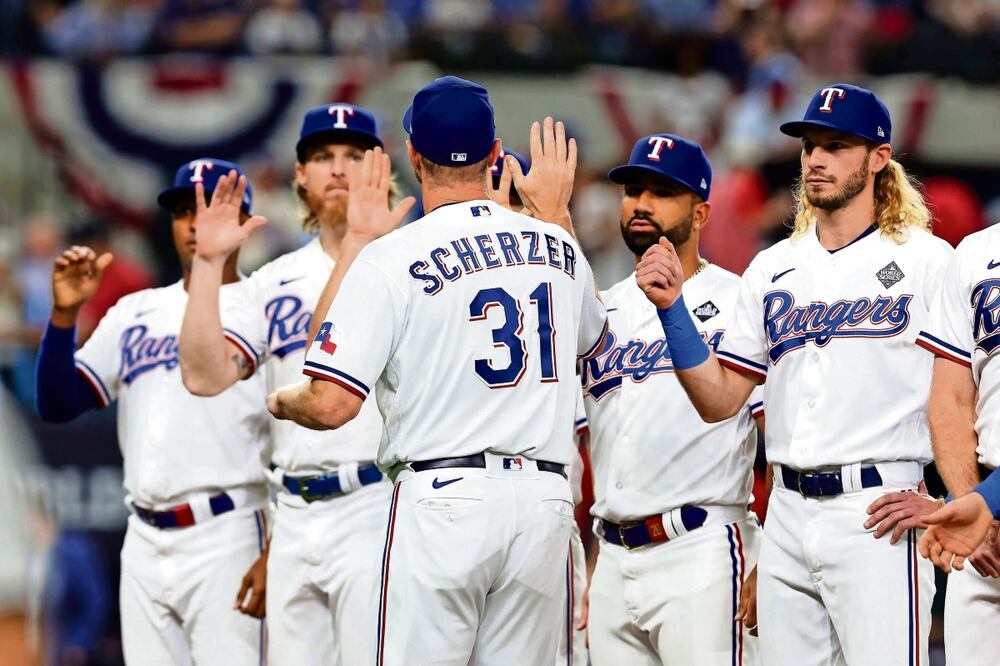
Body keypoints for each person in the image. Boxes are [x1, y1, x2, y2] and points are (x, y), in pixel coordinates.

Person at [269, 76, 608, 665]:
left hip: (443, 500)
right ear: (495, 154)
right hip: (542, 504)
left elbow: (330, 404)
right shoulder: (556, 246)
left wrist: (282, 400)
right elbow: (596, 348)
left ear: (414, 157)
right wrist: (555, 217)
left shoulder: (390, 257)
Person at [634, 84, 951, 664]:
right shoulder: (772, 267)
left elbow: (964, 393)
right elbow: (718, 399)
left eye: (836, 146)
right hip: (785, 516)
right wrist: (672, 311)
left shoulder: (927, 261)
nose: (816, 160)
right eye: (810, 146)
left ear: (880, 158)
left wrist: (955, 497)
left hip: (880, 510)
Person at [179, 104, 411, 665]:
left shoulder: (418, 262)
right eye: (322, 157)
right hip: (294, 513)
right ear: (299, 178)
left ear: (382, 172)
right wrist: (209, 266)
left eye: (355, 156)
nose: (338, 169)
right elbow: (205, 376)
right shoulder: (273, 279)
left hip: (379, 503)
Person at [34, 158, 270, 665]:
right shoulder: (136, 311)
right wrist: (63, 318)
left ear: (244, 220)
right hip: (142, 536)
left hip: (228, 528)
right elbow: (58, 403)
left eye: (210, 209)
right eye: (184, 210)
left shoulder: (264, 303)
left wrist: (277, 548)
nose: (196, 223)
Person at [581, 132, 764, 664]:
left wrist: (772, 556)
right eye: (633, 189)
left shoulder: (739, 302)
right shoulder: (603, 311)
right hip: (614, 556)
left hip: (700, 551)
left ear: (701, 213)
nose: (641, 203)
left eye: (662, 191)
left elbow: (779, 437)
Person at [913, 221, 1000, 662]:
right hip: (984, 533)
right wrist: (974, 506)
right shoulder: (976, 252)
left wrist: (988, 501)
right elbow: (949, 398)